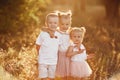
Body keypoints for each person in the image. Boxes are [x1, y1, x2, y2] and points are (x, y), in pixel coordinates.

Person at [36, 12, 61, 80]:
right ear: (46, 23)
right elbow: (38, 45)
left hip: (53, 61)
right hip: (43, 60)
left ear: (58, 24)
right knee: (43, 77)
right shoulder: (43, 34)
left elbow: (60, 46)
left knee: (51, 77)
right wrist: (39, 54)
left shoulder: (59, 35)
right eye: (50, 23)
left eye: (55, 23)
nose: (53, 25)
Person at [55, 10, 72, 80]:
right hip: (60, 55)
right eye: (62, 24)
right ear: (58, 24)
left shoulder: (70, 33)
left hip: (69, 55)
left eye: (67, 24)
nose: (65, 26)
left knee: (68, 70)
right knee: (60, 71)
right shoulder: (57, 33)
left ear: (70, 24)